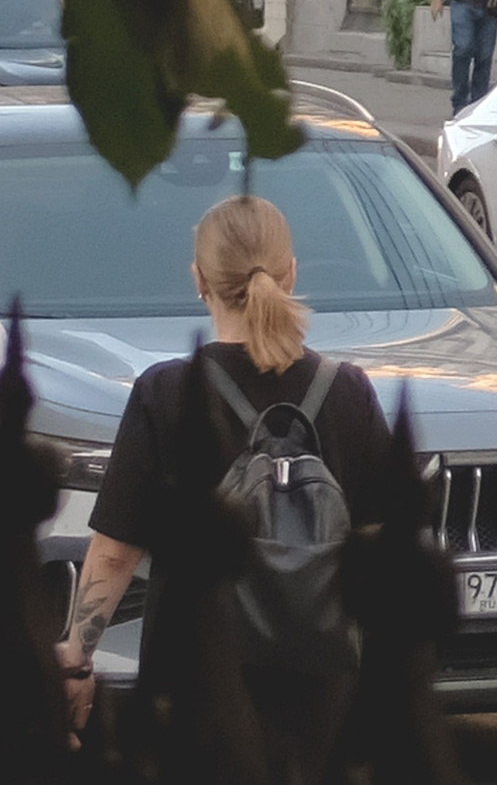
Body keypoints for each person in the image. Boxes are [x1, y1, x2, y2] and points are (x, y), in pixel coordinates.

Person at [57, 195, 395, 780]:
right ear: (290, 274)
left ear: (199, 281)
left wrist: (75, 658)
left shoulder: (166, 393)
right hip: (324, 684)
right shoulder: (349, 393)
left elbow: (115, 550)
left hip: (194, 678)